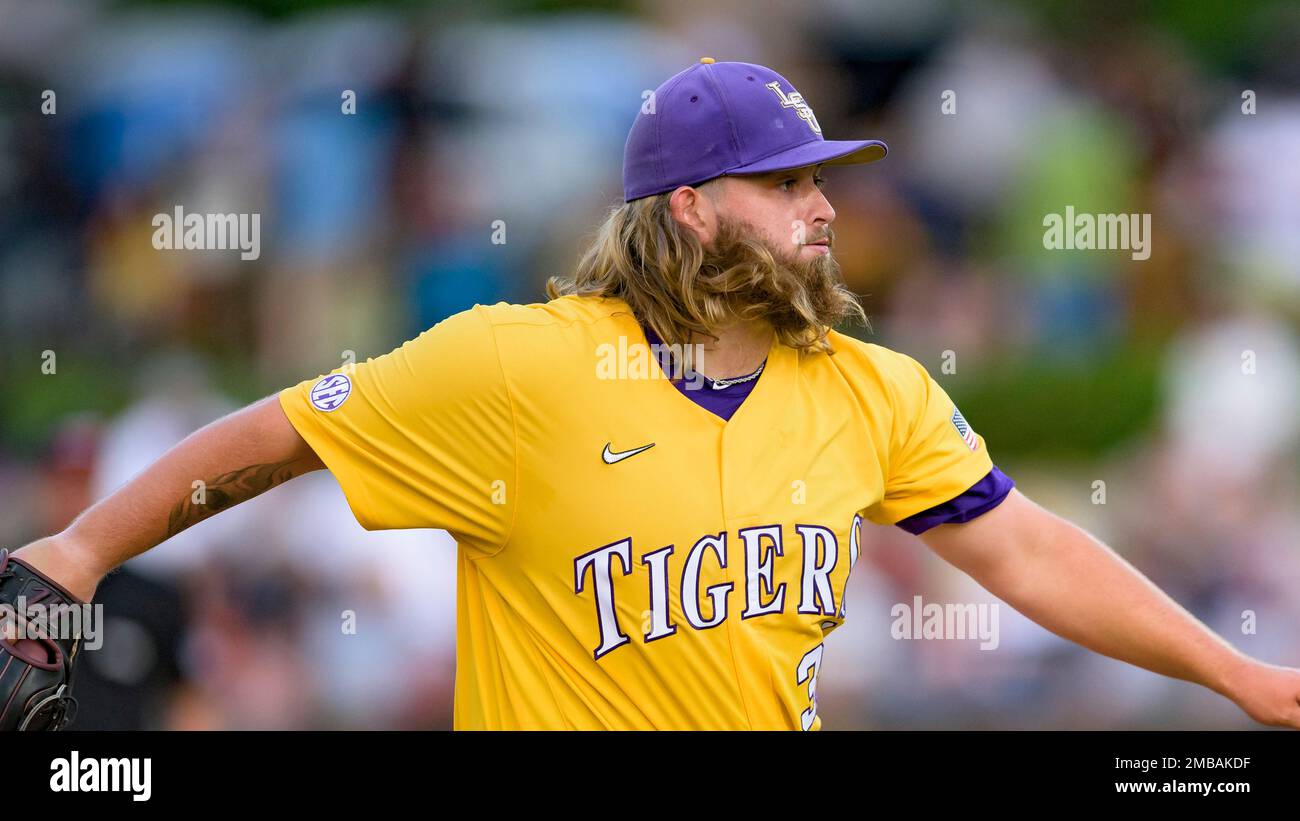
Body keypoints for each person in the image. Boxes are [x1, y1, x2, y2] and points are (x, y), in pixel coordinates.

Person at [12, 59, 1300, 730]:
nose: (825, 207)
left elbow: (1027, 551)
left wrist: (1235, 676)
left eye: (821, 179)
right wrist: (76, 551)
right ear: (690, 209)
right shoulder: (515, 364)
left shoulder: (871, 390)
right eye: (788, 183)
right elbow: (277, 438)